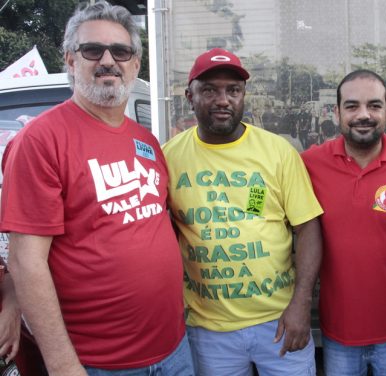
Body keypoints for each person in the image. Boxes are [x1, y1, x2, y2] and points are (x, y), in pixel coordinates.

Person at [0, 1, 193, 374]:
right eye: (93, 50)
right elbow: (26, 260)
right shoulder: (40, 140)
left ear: (135, 64)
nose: (108, 60)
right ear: (71, 61)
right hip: (99, 363)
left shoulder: (148, 142)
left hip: (173, 348)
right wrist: (61, 363)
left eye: (121, 51)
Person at [162, 47, 323, 375]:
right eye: (210, 90)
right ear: (189, 96)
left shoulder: (277, 152)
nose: (223, 100)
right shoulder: (168, 157)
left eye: (233, 90)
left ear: (243, 95)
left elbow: (307, 228)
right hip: (208, 330)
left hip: (278, 321)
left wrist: (301, 305)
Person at [301, 69, 386, 375]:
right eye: (352, 106)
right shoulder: (309, 165)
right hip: (338, 336)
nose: (364, 115)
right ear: (336, 113)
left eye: (374, 106)